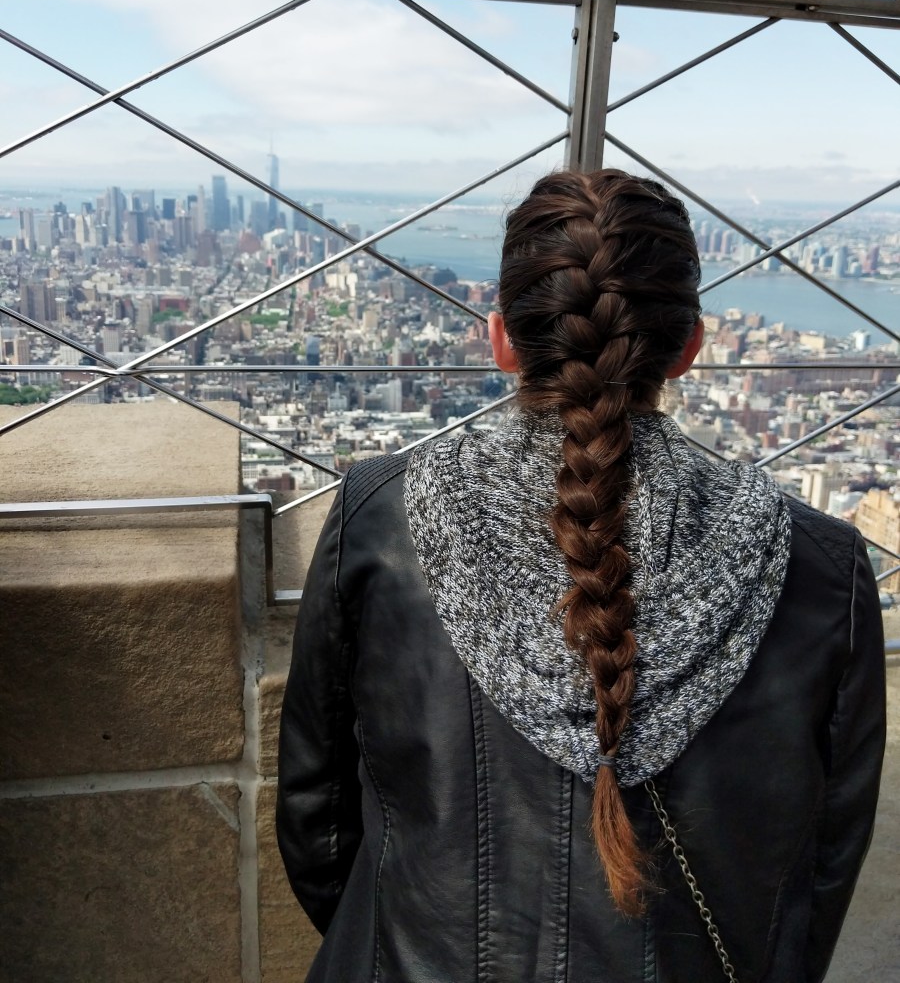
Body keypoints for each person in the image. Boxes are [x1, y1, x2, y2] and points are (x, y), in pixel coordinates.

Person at [277, 169, 886, 982]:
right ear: (689, 348)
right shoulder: (823, 564)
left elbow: (316, 820)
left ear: (501, 339)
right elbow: (823, 861)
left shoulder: (379, 517)